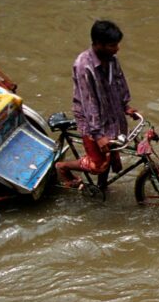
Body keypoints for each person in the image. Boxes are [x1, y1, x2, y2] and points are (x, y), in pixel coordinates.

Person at [55, 20, 136, 188]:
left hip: (112, 112)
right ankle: (62, 167)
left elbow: (120, 83)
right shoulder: (84, 66)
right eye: (112, 45)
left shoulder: (113, 60)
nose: (117, 49)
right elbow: (89, 102)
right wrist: (98, 135)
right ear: (98, 44)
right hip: (90, 119)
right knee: (97, 165)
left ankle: (101, 187)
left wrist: (125, 106)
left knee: (112, 154)